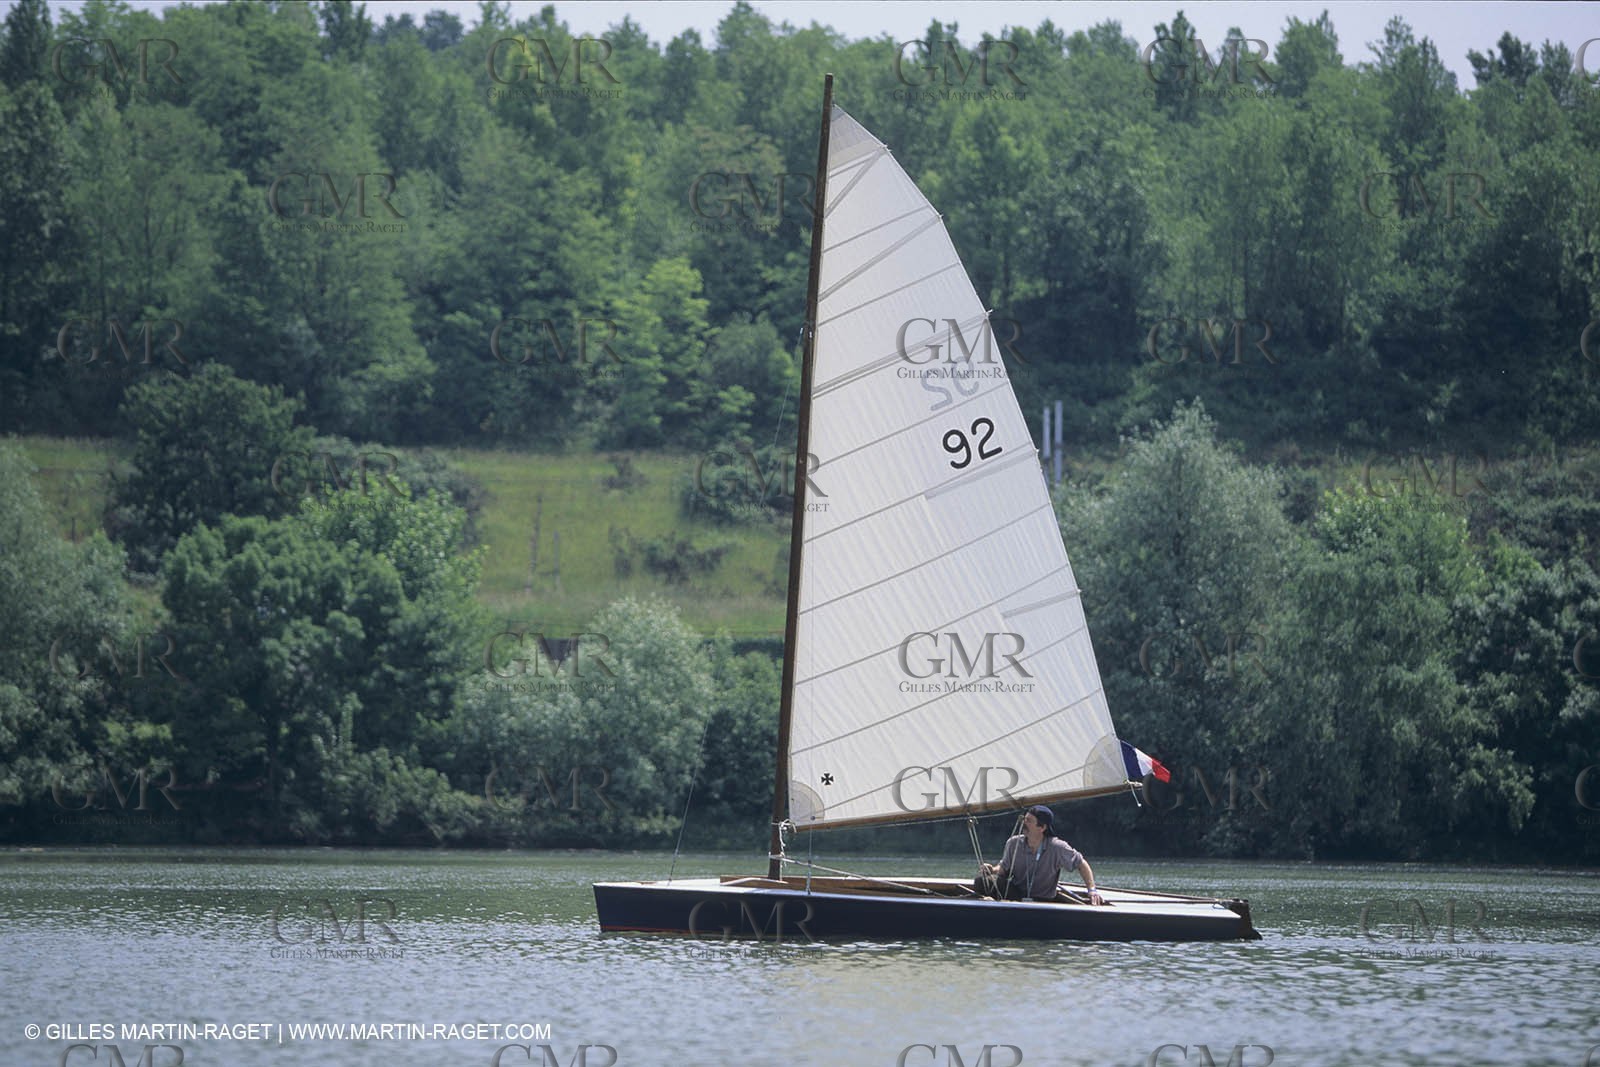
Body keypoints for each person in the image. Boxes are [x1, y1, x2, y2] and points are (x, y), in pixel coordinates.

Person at [976, 805, 1104, 904]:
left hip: (1043, 899)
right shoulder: (1013, 843)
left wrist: (1092, 890)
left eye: (1029, 821)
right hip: (1016, 893)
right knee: (982, 881)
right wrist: (992, 869)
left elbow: (1081, 864)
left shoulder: (1057, 847)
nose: (1023, 823)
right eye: (1024, 819)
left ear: (1042, 827)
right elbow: (1003, 869)